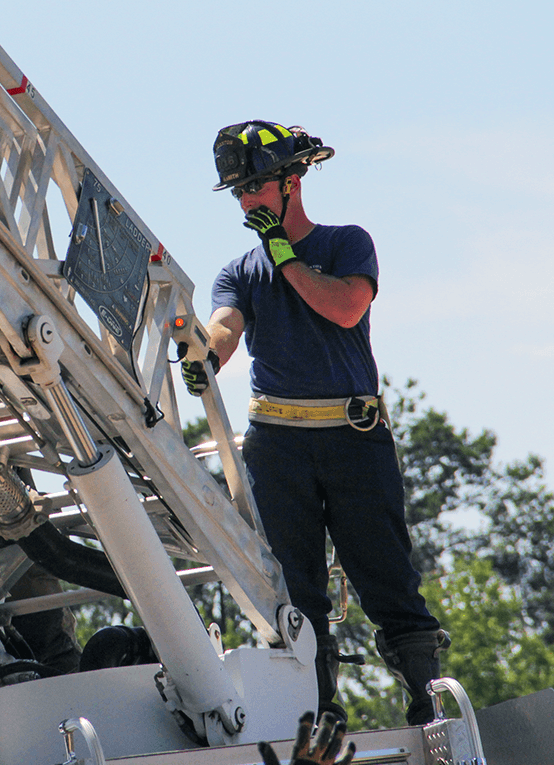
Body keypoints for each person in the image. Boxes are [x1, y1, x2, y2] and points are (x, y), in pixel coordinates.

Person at [181, 120, 449, 726]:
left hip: (353, 440)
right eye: (240, 193)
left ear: (292, 182)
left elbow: (346, 306)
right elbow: (224, 328)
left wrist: (285, 254)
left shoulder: (346, 243)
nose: (247, 201)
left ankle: (428, 708)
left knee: (385, 575)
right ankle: (319, 717)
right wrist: (204, 355)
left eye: (255, 188)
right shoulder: (239, 269)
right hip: (278, 447)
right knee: (296, 593)